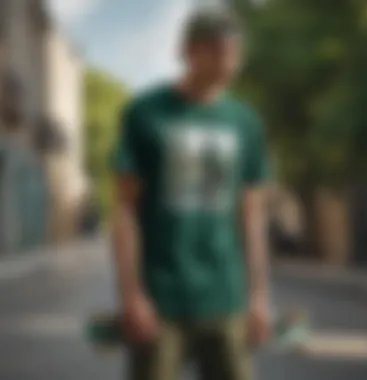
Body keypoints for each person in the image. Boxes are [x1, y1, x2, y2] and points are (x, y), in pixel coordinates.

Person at [111, 9, 271, 380]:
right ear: (188, 52)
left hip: (226, 299)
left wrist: (259, 296)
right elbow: (125, 211)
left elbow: (251, 214)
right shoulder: (146, 113)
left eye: (234, 51)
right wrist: (131, 295)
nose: (228, 62)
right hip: (162, 301)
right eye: (216, 50)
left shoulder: (245, 122)